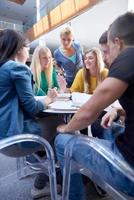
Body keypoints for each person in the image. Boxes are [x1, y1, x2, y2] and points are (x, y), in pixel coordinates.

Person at [55, 12, 134, 200]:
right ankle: (98, 182)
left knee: (61, 141)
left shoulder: (128, 55)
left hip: (129, 171)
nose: (107, 57)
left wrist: (65, 127)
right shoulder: (83, 73)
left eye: (107, 50)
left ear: (118, 42)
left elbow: (88, 113)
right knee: (102, 126)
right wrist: (119, 109)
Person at [0, 29, 60, 199]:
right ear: (19, 49)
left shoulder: (3, 68)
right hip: (16, 139)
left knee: (53, 129)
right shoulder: (18, 68)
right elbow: (32, 107)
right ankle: (51, 178)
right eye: (27, 47)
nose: (29, 51)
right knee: (61, 124)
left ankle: (45, 164)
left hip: (3, 139)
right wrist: (49, 99)